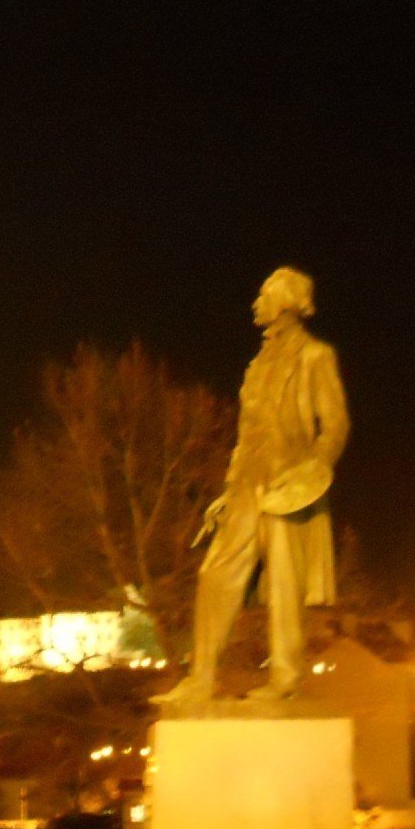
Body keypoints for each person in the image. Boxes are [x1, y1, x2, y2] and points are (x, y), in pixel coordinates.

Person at [165, 266, 349, 705]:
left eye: (263, 296)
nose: (255, 304)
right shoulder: (257, 364)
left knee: (285, 585)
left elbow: (336, 423)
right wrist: (229, 492)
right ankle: (201, 677)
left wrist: (314, 470)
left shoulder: (315, 356)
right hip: (249, 482)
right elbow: (246, 435)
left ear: (285, 305)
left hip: (289, 486)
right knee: (215, 573)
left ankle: (286, 678)